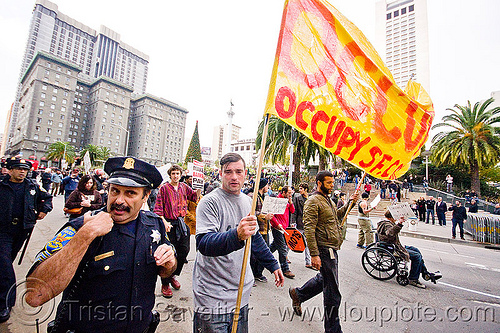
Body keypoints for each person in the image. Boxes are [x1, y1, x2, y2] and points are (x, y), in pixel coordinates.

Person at [26, 157, 176, 332]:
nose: (119, 200)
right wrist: (84, 237)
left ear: (146, 196)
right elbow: (34, 295)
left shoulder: (155, 225)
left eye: (130, 193)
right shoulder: (82, 226)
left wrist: (170, 263)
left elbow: (166, 270)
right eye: (115, 191)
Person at [193, 153, 284, 332]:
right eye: (228, 172)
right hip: (212, 297)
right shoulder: (209, 202)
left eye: (238, 171)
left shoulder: (247, 202)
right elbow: (204, 244)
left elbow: (255, 238)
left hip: (241, 292)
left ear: (245, 174)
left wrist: (273, 264)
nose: (234, 177)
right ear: (220, 174)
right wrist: (236, 235)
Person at [289, 170, 358, 333]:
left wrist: (350, 204)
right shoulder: (313, 201)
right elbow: (309, 228)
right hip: (324, 250)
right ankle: (333, 330)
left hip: (332, 248)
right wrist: (314, 254)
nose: (332, 185)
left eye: (333, 182)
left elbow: (336, 217)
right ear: (319, 183)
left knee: (324, 279)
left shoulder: (328, 200)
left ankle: (299, 294)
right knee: (333, 293)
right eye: (328, 183)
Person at [0, 157, 53, 323]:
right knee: (5, 265)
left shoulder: (31, 186)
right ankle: (5, 304)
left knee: (6, 262)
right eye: (18, 168)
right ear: (9, 169)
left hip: (22, 230)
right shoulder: (2, 184)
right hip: (3, 230)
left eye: (25, 169)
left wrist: (45, 209)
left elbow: (47, 198)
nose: (22, 172)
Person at [154, 164, 200, 298]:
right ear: (170, 175)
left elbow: (194, 197)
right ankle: (165, 283)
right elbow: (158, 209)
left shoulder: (184, 187)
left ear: (181, 175)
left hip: (182, 223)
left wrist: (198, 188)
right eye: (173, 173)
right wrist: (164, 222)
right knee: (168, 253)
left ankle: (173, 275)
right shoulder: (163, 188)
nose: (175, 176)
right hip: (168, 223)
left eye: (177, 173)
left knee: (184, 251)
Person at [377, 210, 442, 289]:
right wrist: (399, 224)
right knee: (417, 256)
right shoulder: (386, 224)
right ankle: (413, 278)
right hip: (392, 248)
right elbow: (390, 233)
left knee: (415, 250)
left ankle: (425, 273)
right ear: (392, 217)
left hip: (395, 245)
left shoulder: (387, 222)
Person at [269, 186, 296, 279]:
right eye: (288, 192)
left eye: (291, 193)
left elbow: (292, 211)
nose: (290, 194)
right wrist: (277, 224)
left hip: (285, 228)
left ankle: (261, 258)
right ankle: (285, 269)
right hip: (277, 228)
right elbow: (271, 215)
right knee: (282, 249)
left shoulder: (287, 201)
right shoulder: (277, 200)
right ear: (283, 192)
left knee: (274, 246)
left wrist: (291, 202)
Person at [251, 178, 274, 282]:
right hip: (257, 229)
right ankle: (252, 274)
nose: (268, 187)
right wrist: (264, 216)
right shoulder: (253, 197)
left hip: (264, 229)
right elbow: (251, 212)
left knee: (262, 252)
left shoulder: (264, 197)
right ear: (263, 186)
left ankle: (258, 273)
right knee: (254, 254)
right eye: (267, 185)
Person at [293, 183, 313, 269]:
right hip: (300, 223)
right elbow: (294, 211)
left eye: (301, 189)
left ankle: (308, 261)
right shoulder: (297, 198)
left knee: (308, 243)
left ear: (305, 189)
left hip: (309, 224)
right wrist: (293, 222)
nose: (300, 190)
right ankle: (285, 255)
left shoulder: (311, 198)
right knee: (295, 240)